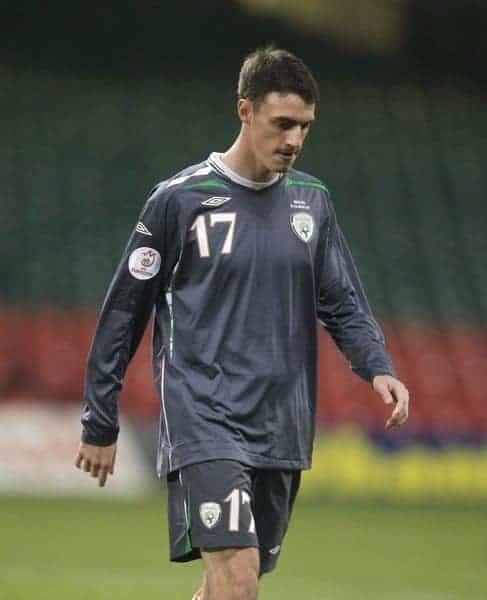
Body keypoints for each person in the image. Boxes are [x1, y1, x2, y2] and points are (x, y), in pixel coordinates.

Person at [75, 47, 409, 600]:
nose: (295, 140)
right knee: (238, 582)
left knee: (225, 586)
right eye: (283, 124)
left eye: (305, 126)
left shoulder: (313, 203)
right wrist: (99, 419)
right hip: (204, 417)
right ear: (245, 111)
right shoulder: (179, 202)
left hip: (281, 424)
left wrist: (378, 366)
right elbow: (123, 312)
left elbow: (343, 301)